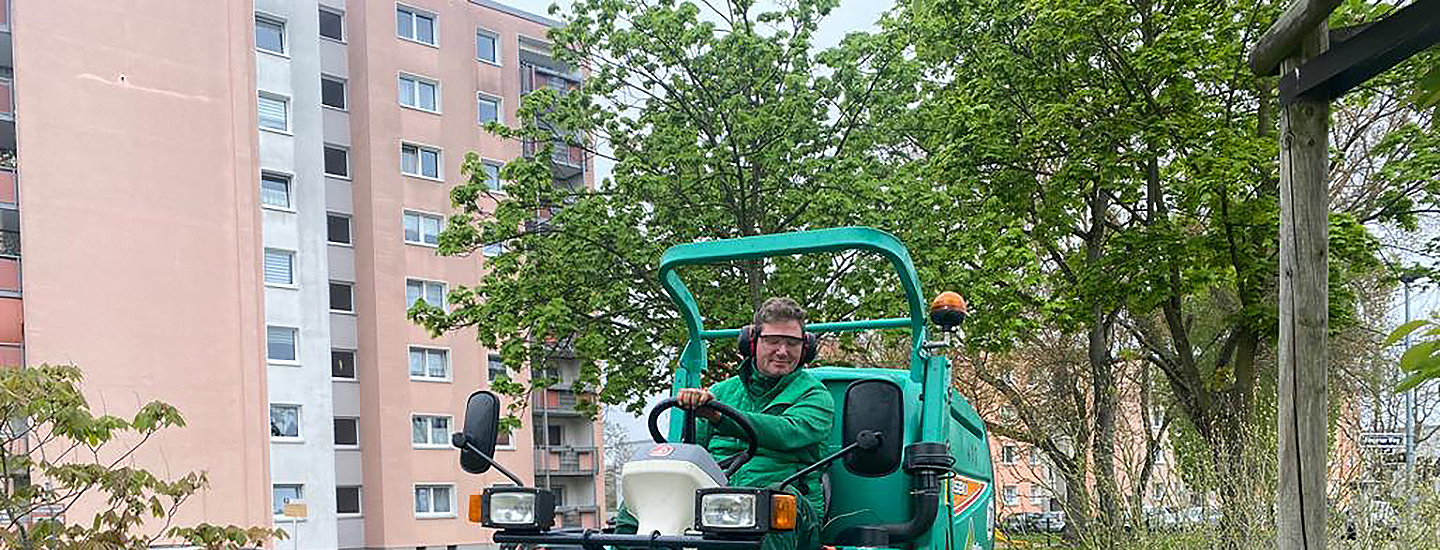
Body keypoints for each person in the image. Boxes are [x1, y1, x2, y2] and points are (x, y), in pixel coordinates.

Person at [617, 297, 835, 550]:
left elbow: (787, 432)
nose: (783, 351)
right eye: (773, 341)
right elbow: (688, 454)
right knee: (639, 500)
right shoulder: (723, 391)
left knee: (768, 503)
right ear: (753, 342)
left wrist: (720, 417)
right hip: (716, 501)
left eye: (792, 343)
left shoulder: (815, 395)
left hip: (787, 505)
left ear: (805, 347)